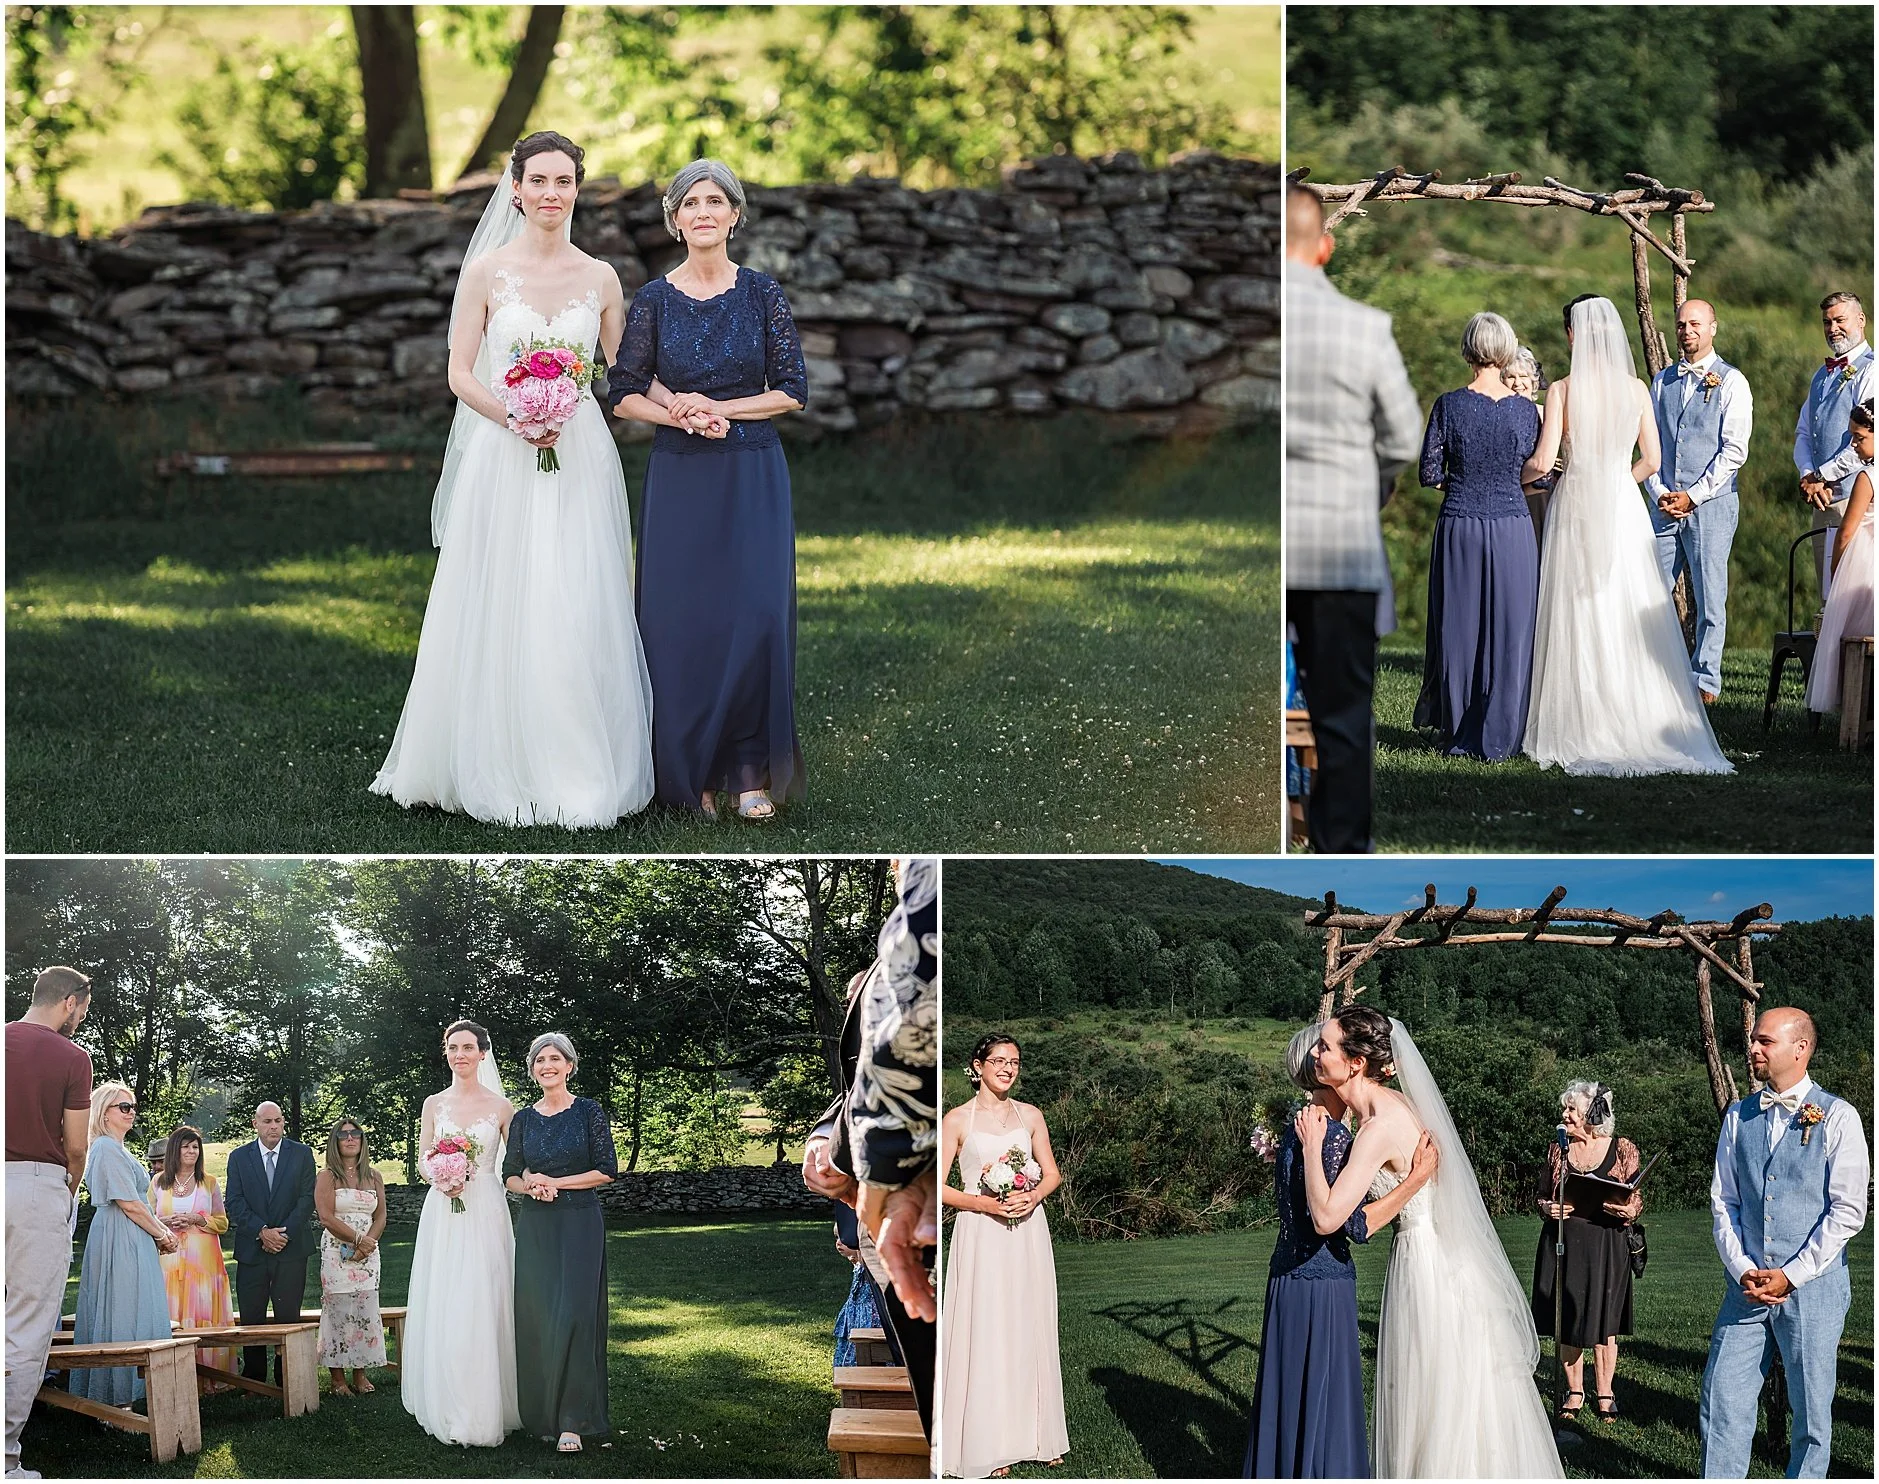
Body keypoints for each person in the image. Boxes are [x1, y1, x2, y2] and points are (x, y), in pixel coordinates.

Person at [371, 130, 658, 829]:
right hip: (504, 452)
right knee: (507, 591)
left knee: (577, 591)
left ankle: (581, 765)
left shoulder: (601, 278)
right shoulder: (487, 272)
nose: (552, 194)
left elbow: (619, 379)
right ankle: (491, 755)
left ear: (575, 190)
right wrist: (515, 415)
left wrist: (684, 405)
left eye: (565, 182)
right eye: (540, 181)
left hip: (581, 453)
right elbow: (459, 372)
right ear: (517, 186)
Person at [608, 158, 810, 821]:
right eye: (689, 202)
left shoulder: (761, 294)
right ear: (674, 219)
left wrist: (726, 413)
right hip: (680, 476)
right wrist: (683, 414)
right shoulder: (654, 301)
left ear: (734, 215)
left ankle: (749, 772)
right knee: (681, 625)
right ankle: (690, 777)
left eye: (714, 201)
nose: (702, 212)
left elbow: (791, 391)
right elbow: (625, 391)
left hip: (752, 471)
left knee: (755, 618)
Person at [1299, 1008, 1561, 1477]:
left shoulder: (1377, 1128)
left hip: (1425, 1267)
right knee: (1445, 1392)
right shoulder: (1392, 1103)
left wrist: (1309, 1149)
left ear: (1355, 1063)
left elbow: (1327, 1217)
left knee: (1431, 1393)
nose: (1315, 1054)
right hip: (1437, 1257)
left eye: (1325, 1047)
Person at [1521, 295, 1733, 777]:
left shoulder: (1563, 390)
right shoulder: (1637, 388)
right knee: (1626, 603)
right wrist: (1617, 479)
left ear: (1575, 335)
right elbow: (1654, 461)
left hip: (1575, 502)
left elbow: (1544, 458)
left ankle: (1582, 718)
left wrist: (1522, 479)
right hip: (1622, 504)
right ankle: (1641, 712)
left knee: (1577, 606)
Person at [1283, 184, 1423, 852]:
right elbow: (1403, 440)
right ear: (1325, 245)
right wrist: (1369, 491)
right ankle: (1337, 849)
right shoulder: (1364, 328)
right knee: (1341, 719)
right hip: (1339, 547)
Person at [1242, 1023, 1437, 1478]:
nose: (1320, 1056)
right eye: (1320, 1050)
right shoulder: (1330, 1139)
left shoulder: (1297, 1130)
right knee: (1323, 1399)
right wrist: (1413, 1181)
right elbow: (1347, 1222)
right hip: (1321, 1280)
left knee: (1286, 1395)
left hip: (1285, 1274)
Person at [1700, 1008, 1869, 1478]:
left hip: (1812, 1289)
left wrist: (1791, 1274)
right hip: (1746, 1288)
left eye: (1765, 1041)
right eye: (1754, 1040)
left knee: (1812, 1411)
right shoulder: (1738, 1116)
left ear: (1800, 1049)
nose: (1753, 1048)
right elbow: (1723, 1202)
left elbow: (1848, 1210)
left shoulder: (1838, 1116)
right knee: (1722, 1400)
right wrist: (1742, 1269)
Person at [805, 859, 940, 1434]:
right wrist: (823, 1138)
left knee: (948, 1384)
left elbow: (903, 1057)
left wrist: (847, 1159)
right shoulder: (869, 977)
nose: (896, 865)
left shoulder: (915, 943)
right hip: (896, 1219)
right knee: (932, 1387)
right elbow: (864, 1082)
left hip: (922, 1217)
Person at [1412, 311, 1541, 760]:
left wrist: (1466, 481)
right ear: (1506, 349)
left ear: (1469, 349)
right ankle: (1502, 734)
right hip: (1512, 525)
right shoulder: (1526, 411)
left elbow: (1429, 472)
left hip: (1460, 522)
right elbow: (1537, 475)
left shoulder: (1448, 405)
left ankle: (1458, 733)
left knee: (1458, 629)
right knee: (1511, 629)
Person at [939, 1035, 1068, 1479]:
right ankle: (989, 1441)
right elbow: (938, 1187)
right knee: (987, 1327)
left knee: (1029, 1324)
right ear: (977, 1066)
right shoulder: (956, 1120)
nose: (1007, 1068)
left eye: (1014, 1062)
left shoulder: (1031, 1116)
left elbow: (1052, 1173)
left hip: (1027, 1232)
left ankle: (1037, 1433)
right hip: (982, 1234)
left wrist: (1032, 1197)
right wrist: (985, 1204)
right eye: (998, 1061)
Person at [402, 1020, 519, 1447]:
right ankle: (448, 1400)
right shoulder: (434, 1103)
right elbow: (421, 1156)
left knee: (484, 1295)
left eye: (468, 1047)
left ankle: (488, 1404)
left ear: (483, 1053)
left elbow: (515, 1162)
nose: (460, 1055)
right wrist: (439, 1174)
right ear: (446, 1052)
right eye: (453, 1048)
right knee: (447, 1295)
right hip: (444, 1210)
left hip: (486, 1206)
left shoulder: (502, 1107)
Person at [503, 1032, 617, 1453]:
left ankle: (574, 1418)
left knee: (575, 1315)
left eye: (555, 1058)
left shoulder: (588, 1111)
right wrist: (530, 1186)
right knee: (539, 1316)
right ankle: (541, 1414)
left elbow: (606, 1169)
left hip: (579, 1223)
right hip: (536, 1225)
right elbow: (510, 1174)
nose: (547, 1065)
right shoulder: (523, 1119)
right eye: (539, 1060)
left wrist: (556, 1183)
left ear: (569, 1065)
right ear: (532, 1069)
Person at [6, 966, 93, 1481]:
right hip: (37, 1185)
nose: (81, 1018)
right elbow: (77, 1146)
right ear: (69, 1001)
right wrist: (69, 1187)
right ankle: (5, 1459)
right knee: (27, 1324)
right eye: (83, 1008)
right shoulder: (71, 1056)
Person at [1644, 299, 1753, 703]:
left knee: (1709, 596)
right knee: (1646, 589)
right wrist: (1658, 492)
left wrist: (1694, 495)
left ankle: (1706, 680)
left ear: (1713, 328)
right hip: (1664, 505)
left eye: (1695, 323)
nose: (1686, 330)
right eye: (1680, 324)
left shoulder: (1733, 382)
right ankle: (1647, 671)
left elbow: (1734, 451)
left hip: (1712, 505)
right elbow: (1649, 442)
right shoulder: (1662, 382)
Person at [1529, 1083, 1642, 1423]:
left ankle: (1605, 1393)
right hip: (1563, 1243)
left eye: (1571, 1111)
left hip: (1607, 1243)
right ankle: (1574, 1391)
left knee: (1605, 1321)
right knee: (1568, 1319)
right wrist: (1547, 1207)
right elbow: (1540, 1193)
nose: (1565, 1116)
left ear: (1592, 1115)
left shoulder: (1622, 1149)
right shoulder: (1557, 1150)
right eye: (1565, 1110)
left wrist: (1630, 1211)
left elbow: (1636, 1194)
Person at [69, 1083, 179, 1405]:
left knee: (133, 1307)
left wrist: (156, 1231)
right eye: (124, 1106)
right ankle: (115, 1400)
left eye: (132, 1106)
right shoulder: (104, 1147)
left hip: (130, 1233)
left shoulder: (116, 1147)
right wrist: (162, 1233)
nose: (131, 1111)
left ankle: (131, 1393)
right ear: (104, 1113)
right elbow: (128, 1203)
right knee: (120, 1310)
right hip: (119, 1234)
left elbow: (135, 1204)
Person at [222, 1101, 317, 1386]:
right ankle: (254, 1380)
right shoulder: (239, 1158)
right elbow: (234, 1202)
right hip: (253, 1250)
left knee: (288, 1315)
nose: (273, 1126)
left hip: (292, 1248)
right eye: (267, 1122)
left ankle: (286, 1377)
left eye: (278, 1121)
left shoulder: (301, 1154)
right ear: (255, 1124)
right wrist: (262, 1231)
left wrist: (282, 1233)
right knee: (252, 1316)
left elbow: (306, 1198)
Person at [1794, 293, 1876, 590]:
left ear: (1861, 320)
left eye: (1840, 320)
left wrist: (1821, 475)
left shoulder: (1871, 369)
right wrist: (1806, 474)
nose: (1833, 328)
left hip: (1859, 502)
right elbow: (1804, 431)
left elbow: (1868, 440)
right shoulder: (1821, 375)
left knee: (1856, 596)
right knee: (1828, 596)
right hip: (1823, 501)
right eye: (1827, 322)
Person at [148, 1124, 236, 1380]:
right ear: (175, 1149)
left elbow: (222, 1223)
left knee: (203, 1314)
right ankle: (172, 1375)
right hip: (169, 1262)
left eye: (195, 1146)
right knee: (171, 1313)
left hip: (203, 1265)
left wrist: (197, 1220)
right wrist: (167, 1222)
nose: (191, 1151)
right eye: (186, 1146)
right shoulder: (158, 1182)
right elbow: (147, 1219)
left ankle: (211, 1377)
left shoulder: (208, 1183)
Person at [1806, 401, 1874, 714]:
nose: (1855, 446)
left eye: (1859, 438)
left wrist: (1836, 575)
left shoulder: (1868, 478)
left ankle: (1854, 709)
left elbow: (1846, 533)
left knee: (1845, 636)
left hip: (1864, 567)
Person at [314, 1117, 388, 1397]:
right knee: (338, 1312)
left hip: (369, 1253)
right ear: (335, 1141)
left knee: (364, 1311)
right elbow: (325, 1215)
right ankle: (337, 1379)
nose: (350, 1138)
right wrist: (356, 1240)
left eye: (355, 1133)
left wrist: (368, 1244)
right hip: (337, 1251)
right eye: (343, 1135)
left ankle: (360, 1373)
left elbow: (380, 1215)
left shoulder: (374, 1176)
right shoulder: (327, 1176)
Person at [831, 1200, 885, 1369]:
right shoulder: (856, 1263)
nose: (840, 1242)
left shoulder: (867, 1262)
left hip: (870, 1316)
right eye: (837, 1238)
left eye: (844, 1237)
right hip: (855, 1316)